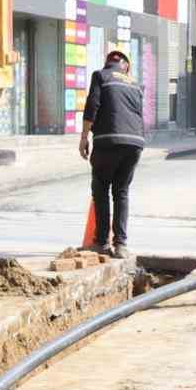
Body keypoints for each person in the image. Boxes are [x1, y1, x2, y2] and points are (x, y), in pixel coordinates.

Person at [78, 50, 145, 259]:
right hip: (134, 143)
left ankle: (101, 243)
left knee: (101, 188)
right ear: (125, 66)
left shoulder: (100, 76)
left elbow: (92, 106)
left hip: (109, 140)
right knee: (121, 191)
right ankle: (121, 245)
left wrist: (84, 137)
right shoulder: (135, 84)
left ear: (108, 63)